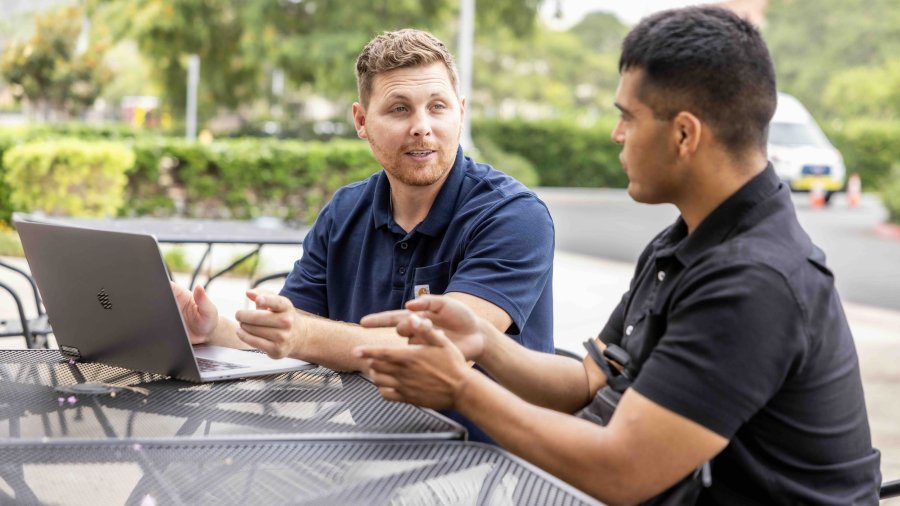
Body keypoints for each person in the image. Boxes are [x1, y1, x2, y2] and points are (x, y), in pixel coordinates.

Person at [355, 7, 882, 504]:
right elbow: (590, 382)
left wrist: (461, 388)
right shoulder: (683, 241)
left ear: (683, 134)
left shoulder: (754, 280)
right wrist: (484, 341)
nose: (616, 135)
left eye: (627, 117)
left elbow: (620, 471)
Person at [172, 29, 555, 442]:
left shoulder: (514, 215)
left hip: (493, 459)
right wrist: (213, 330)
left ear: (460, 113)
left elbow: (438, 346)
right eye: (399, 109)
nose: (422, 127)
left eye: (438, 107)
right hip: (370, 444)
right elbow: (289, 327)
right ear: (361, 121)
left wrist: (303, 335)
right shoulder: (344, 212)